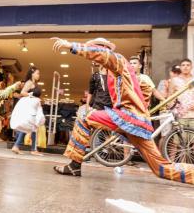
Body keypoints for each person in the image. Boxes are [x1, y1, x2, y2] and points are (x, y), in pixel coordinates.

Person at [51, 37, 194, 185]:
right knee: (160, 168)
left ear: (102, 49)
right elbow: (144, 89)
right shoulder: (117, 71)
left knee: (84, 118)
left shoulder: (117, 59)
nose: (95, 59)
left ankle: (74, 166)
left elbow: (102, 54)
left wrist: (70, 45)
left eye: (95, 50)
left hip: (129, 118)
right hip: (134, 121)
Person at [11, 67, 44, 156]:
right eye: (37, 73)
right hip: (30, 107)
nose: (38, 75)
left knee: (32, 127)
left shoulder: (33, 83)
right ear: (32, 74)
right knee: (31, 126)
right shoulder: (29, 82)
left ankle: (20, 146)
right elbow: (22, 92)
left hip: (33, 106)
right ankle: (30, 148)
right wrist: (32, 96)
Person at [169, 59, 194, 128]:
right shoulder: (174, 80)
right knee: (179, 138)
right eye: (183, 65)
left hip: (193, 115)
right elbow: (170, 97)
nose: (185, 67)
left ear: (192, 67)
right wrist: (173, 110)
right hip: (180, 116)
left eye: (188, 65)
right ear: (180, 67)